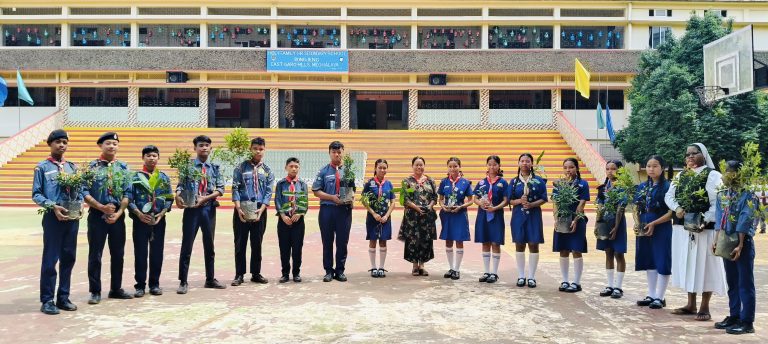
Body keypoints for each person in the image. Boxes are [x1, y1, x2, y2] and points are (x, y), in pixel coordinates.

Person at [665, 143, 726, 321]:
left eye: (694, 153)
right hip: (683, 229)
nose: (690, 156)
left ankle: (704, 306)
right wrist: (677, 208)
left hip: (704, 230)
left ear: (704, 155)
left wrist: (704, 219)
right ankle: (690, 304)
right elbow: (669, 196)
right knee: (688, 264)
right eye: (687, 154)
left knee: (706, 266)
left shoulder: (713, 175)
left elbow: (718, 203)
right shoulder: (681, 175)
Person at [33, 129, 81, 314]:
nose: (62, 145)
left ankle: (63, 297)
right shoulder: (42, 167)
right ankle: (47, 300)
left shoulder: (72, 168)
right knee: (51, 259)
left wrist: (79, 204)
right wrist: (53, 206)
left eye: (65, 142)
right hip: (53, 218)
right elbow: (36, 194)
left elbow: (79, 189)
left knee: (69, 258)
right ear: (50, 143)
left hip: (71, 218)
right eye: (58, 142)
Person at [83, 132, 133, 304]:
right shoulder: (92, 167)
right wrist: (101, 207)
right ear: (100, 146)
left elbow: (128, 192)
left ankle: (116, 288)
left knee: (118, 254)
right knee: (95, 254)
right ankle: (95, 291)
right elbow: (84, 191)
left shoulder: (124, 168)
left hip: (118, 217)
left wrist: (119, 213)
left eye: (115, 143)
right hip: (97, 216)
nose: (112, 146)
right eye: (108, 143)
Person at [176, 135, 226, 294]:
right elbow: (179, 186)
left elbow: (221, 189)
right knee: (187, 245)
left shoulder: (215, 168)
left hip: (208, 209)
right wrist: (177, 195)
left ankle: (210, 279)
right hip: (192, 210)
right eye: (201, 145)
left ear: (211, 149)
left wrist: (206, 198)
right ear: (195, 148)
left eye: (207, 145)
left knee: (209, 244)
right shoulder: (187, 167)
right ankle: (183, 281)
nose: (204, 148)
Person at [712, 161, 757, 335]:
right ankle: (734, 315)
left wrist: (739, 244)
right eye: (724, 172)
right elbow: (718, 219)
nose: (724, 175)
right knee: (732, 281)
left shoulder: (747, 195)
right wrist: (716, 240)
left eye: (729, 172)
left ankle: (747, 321)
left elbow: (745, 219)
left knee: (744, 282)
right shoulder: (722, 194)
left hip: (742, 243)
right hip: (726, 241)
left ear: (738, 175)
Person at [128, 145, 172, 297]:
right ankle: (140, 286)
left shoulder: (163, 177)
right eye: (148, 155)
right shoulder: (134, 178)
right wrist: (139, 214)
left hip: (159, 221)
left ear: (158, 158)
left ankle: (154, 284)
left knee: (157, 253)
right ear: (143, 158)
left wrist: (162, 213)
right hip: (140, 221)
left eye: (154, 155)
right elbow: (129, 198)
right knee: (140, 253)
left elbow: (168, 198)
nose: (151, 158)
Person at [231, 137, 274, 286]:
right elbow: (235, 188)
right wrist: (238, 208)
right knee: (240, 243)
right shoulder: (241, 168)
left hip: (260, 211)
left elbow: (268, 192)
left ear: (264, 150)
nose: (258, 151)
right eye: (255, 148)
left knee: (257, 243)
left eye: (261, 149)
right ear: (250, 149)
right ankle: (239, 274)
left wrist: (261, 210)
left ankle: (256, 273)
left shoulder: (267, 170)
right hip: (241, 211)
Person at [634, 155, 674, 310]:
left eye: (655, 166)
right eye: (648, 166)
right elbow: (637, 207)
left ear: (662, 168)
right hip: (645, 226)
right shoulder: (642, 186)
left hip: (661, 227)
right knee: (649, 258)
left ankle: (660, 296)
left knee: (662, 259)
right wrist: (639, 223)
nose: (651, 169)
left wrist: (654, 223)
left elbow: (671, 212)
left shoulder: (668, 186)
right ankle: (651, 294)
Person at [312, 141, 354, 282]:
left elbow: (352, 190)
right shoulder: (323, 171)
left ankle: (340, 271)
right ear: (329, 153)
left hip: (344, 211)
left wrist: (350, 197)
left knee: (342, 242)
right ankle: (329, 271)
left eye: (339, 151)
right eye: (334, 152)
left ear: (343, 152)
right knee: (327, 241)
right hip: (327, 211)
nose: (337, 154)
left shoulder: (348, 170)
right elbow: (316, 191)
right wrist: (331, 198)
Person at [508, 153, 548, 288]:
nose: (525, 163)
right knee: (519, 244)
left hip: (533, 215)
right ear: (518, 163)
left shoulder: (539, 181)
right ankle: (521, 276)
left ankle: (531, 276)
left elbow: (544, 198)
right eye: (522, 161)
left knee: (533, 244)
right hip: (518, 216)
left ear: (532, 164)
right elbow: (509, 200)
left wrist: (532, 204)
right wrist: (520, 201)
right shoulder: (513, 182)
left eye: (527, 161)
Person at [553, 158, 590, 293]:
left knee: (576, 250)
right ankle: (564, 280)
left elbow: (582, 204)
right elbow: (555, 203)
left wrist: (575, 220)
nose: (568, 170)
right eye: (565, 168)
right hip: (562, 220)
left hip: (577, 221)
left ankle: (576, 282)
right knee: (563, 250)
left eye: (571, 167)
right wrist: (556, 219)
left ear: (577, 168)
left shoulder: (582, 184)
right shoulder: (560, 184)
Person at [399, 156, 438, 276]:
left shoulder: (430, 181)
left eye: (421, 165)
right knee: (413, 240)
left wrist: (429, 206)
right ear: (412, 166)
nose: (419, 167)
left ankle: (422, 265)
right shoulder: (407, 182)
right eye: (416, 164)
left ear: (424, 166)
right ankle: (414, 266)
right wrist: (417, 208)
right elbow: (405, 199)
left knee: (425, 240)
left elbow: (434, 198)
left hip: (427, 217)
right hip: (412, 218)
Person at [473, 156, 509, 284]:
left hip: (496, 215)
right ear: (486, 166)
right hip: (483, 215)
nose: (492, 167)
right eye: (489, 164)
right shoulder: (482, 182)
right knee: (485, 242)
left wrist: (495, 208)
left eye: (494, 164)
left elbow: (506, 200)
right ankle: (486, 271)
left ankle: (494, 273)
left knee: (495, 242)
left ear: (499, 166)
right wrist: (480, 204)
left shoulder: (503, 182)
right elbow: (474, 198)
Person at [596, 160, 628, 299]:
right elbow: (599, 206)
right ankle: (609, 285)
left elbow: (621, 208)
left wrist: (616, 226)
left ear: (620, 170)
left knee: (618, 254)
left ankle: (618, 287)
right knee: (608, 252)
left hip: (618, 223)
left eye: (613, 169)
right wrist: (598, 224)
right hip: (605, 223)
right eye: (607, 168)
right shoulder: (603, 187)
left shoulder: (623, 187)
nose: (610, 171)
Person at [437, 157, 473, 280]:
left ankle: (457, 269)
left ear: (459, 167)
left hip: (459, 214)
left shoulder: (465, 182)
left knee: (459, 240)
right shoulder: (444, 182)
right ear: (448, 167)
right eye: (450, 166)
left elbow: (471, 200)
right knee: (448, 240)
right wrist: (443, 206)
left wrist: (461, 206)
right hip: (447, 214)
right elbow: (440, 199)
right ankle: (451, 268)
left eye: (455, 166)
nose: (453, 168)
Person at [274, 157, 308, 283]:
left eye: (296, 166)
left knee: (297, 248)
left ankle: (296, 273)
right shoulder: (281, 184)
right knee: (284, 248)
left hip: (298, 222)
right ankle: (285, 273)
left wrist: (299, 213)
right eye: (291, 166)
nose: (294, 168)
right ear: (286, 168)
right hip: (284, 221)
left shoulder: (302, 185)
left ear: (299, 168)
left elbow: (304, 202)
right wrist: (283, 215)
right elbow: (277, 200)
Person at [362, 159, 396, 278]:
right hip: (373, 217)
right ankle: (373, 267)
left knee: (383, 241)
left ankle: (381, 267)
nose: (382, 170)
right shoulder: (369, 183)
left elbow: (393, 202)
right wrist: (373, 213)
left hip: (385, 218)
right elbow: (364, 200)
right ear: (375, 168)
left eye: (384, 168)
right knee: (372, 241)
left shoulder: (389, 184)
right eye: (380, 167)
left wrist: (386, 215)